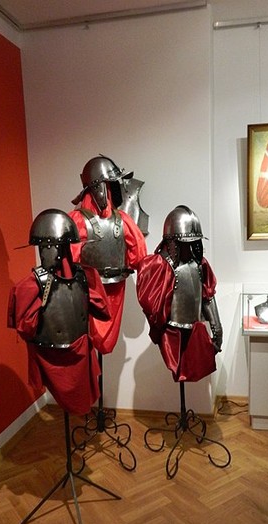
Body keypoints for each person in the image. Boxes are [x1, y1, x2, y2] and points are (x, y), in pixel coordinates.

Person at [7, 209, 110, 415]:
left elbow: (102, 310)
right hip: (51, 353)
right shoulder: (33, 284)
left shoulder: (84, 275)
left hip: (78, 352)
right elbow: (26, 327)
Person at [69, 155, 147, 354]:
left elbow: (139, 258)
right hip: (89, 289)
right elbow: (138, 256)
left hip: (110, 286)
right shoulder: (78, 221)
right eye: (110, 185)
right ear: (99, 188)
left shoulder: (120, 220)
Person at [136, 205, 222, 382]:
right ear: (173, 242)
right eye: (185, 243)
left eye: (194, 242)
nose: (191, 247)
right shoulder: (158, 266)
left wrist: (217, 328)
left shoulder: (200, 265)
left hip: (195, 331)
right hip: (172, 333)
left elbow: (207, 297)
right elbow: (153, 308)